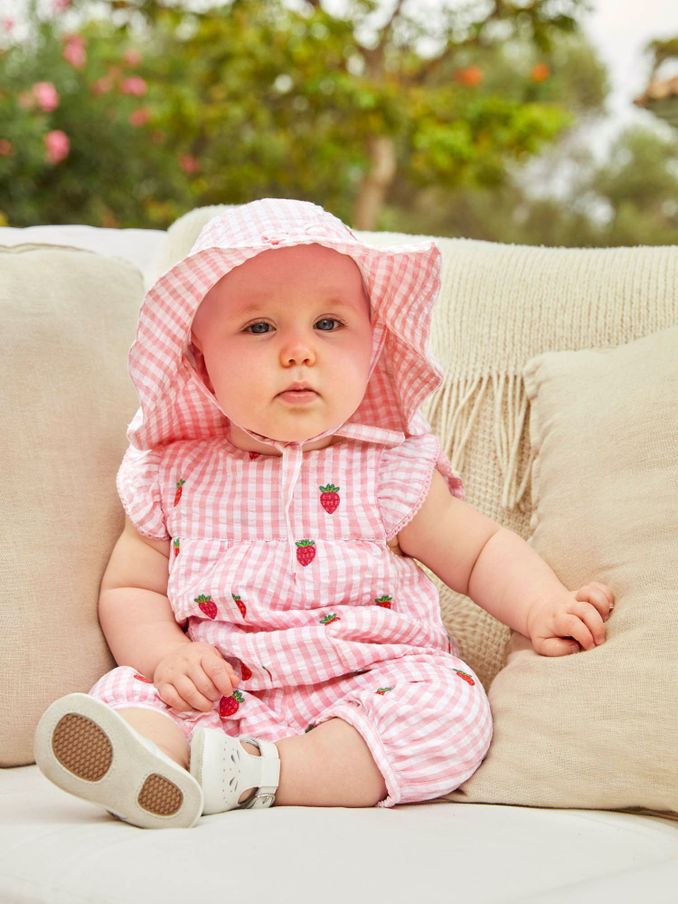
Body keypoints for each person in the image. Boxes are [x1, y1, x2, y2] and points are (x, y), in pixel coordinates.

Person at [34, 198, 615, 829]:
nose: (298, 352)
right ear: (200, 364)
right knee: (130, 695)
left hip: (367, 682)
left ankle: (261, 773)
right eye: (260, 328)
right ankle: (146, 756)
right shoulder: (172, 473)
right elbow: (129, 588)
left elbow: (478, 554)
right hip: (221, 691)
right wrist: (165, 656)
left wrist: (541, 606)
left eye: (330, 325)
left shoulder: (389, 469)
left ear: (371, 350)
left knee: (451, 710)